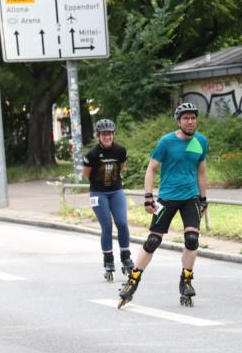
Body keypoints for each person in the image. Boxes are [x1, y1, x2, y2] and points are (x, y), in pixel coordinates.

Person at [118, 102, 208, 308]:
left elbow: (202, 172)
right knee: (152, 242)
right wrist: (148, 196)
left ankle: (186, 281)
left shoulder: (201, 141)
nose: (190, 121)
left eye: (193, 117)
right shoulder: (166, 141)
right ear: (179, 121)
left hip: (190, 197)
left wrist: (203, 199)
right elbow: (151, 169)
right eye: (186, 118)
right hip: (167, 197)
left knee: (192, 239)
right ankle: (132, 282)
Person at [83, 118, 132, 281]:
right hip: (98, 193)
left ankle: (126, 257)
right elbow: (87, 174)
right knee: (107, 226)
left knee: (122, 223)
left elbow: (122, 167)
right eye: (104, 134)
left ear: (113, 135)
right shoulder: (92, 154)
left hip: (116, 190)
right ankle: (109, 260)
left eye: (110, 134)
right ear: (99, 136)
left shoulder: (120, 150)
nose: (107, 137)